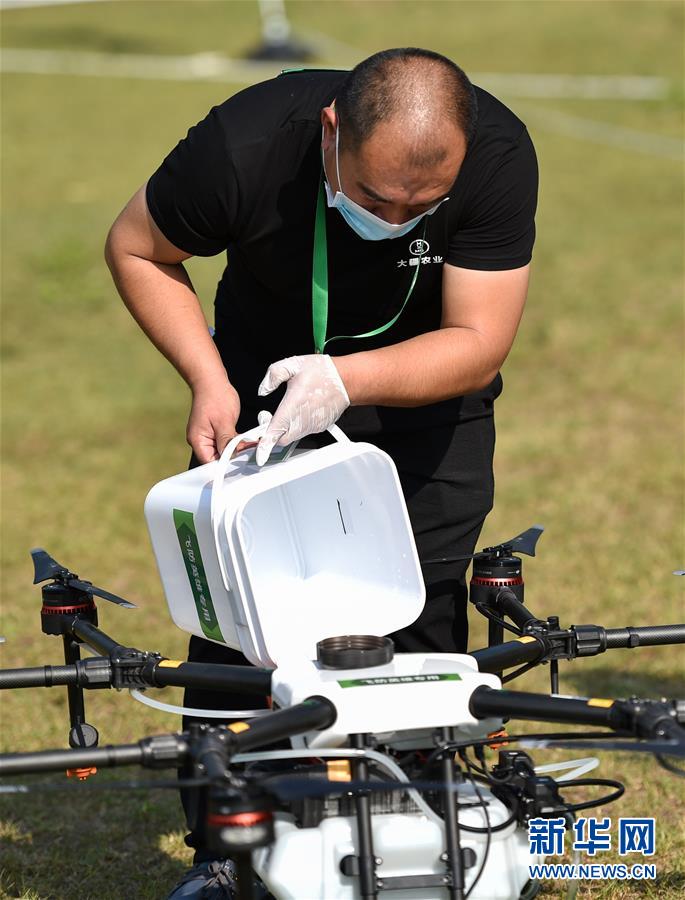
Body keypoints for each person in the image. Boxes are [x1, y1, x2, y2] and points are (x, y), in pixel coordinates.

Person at [105, 47, 537, 898]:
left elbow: (480, 339)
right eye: (376, 198)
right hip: (262, 387)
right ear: (332, 131)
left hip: (426, 399)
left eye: (423, 206)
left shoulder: (496, 156)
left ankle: (415, 838)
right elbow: (136, 248)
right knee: (242, 618)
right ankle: (226, 857)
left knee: (415, 610)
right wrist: (208, 378)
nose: (398, 217)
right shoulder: (245, 146)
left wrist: (348, 380)